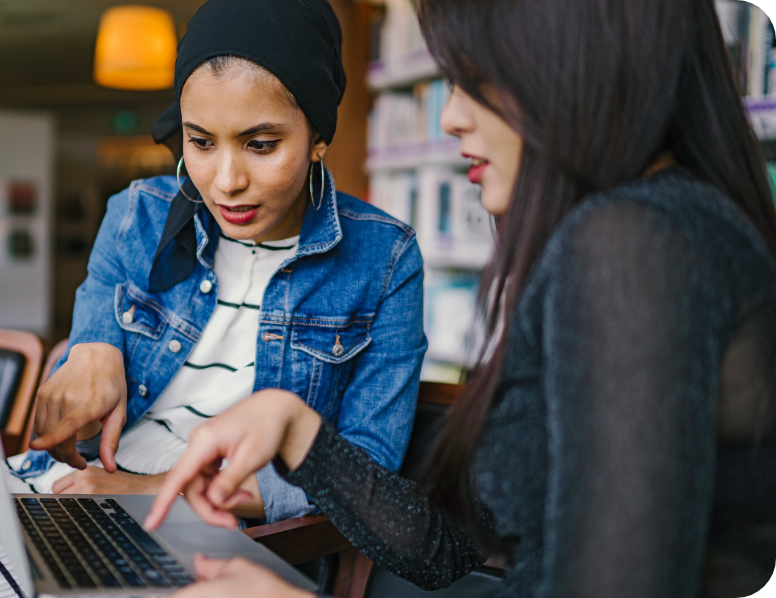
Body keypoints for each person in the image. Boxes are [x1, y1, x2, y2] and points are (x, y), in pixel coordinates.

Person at [144, 0, 776, 597]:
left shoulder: (632, 245)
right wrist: (298, 431)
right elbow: (450, 553)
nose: (450, 117)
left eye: (476, 77)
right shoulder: (659, 228)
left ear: (578, 59)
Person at [0, 0, 426, 525]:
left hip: (213, 529)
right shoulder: (138, 214)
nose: (225, 181)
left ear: (318, 138)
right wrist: (91, 347)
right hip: (67, 487)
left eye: (260, 145)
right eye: (199, 141)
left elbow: (366, 473)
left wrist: (154, 490)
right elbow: (88, 356)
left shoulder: (386, 259)